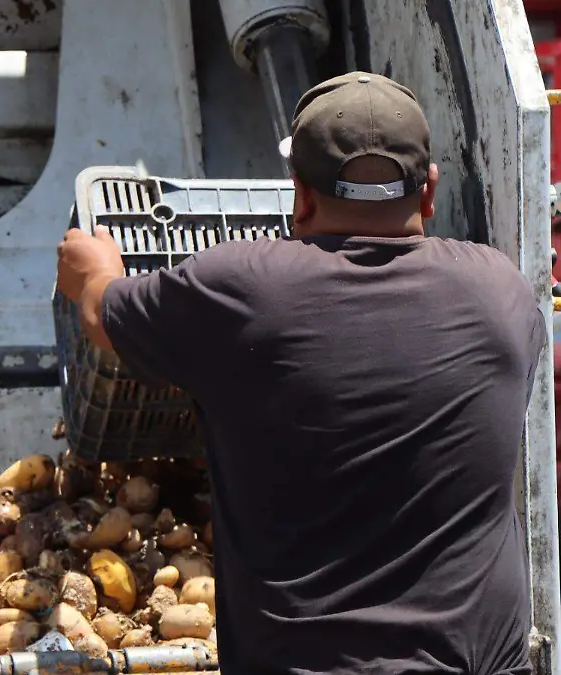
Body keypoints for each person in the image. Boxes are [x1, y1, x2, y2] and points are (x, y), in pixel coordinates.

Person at [57, 72, 544, 675]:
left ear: (301, 195)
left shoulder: (241, 289)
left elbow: (101, 311)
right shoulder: (504, 293)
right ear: (429, 192)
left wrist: (92, 266)